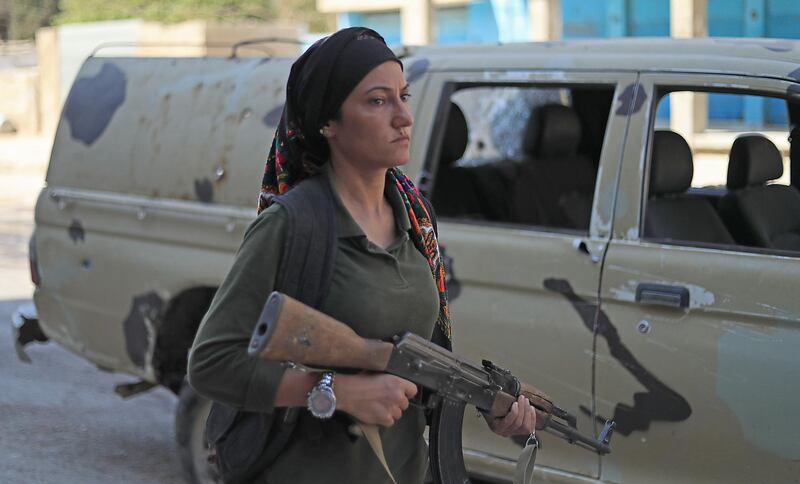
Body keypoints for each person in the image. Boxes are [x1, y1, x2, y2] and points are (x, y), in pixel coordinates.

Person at [188, 27, 535, 483]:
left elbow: (417, 359)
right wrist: (335, 389)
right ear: (327, 122)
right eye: (377, 101)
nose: (403, 117)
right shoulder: (292, 224)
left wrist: (491, 405)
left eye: (403, 96)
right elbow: (211, 364)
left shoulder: (416, 218)